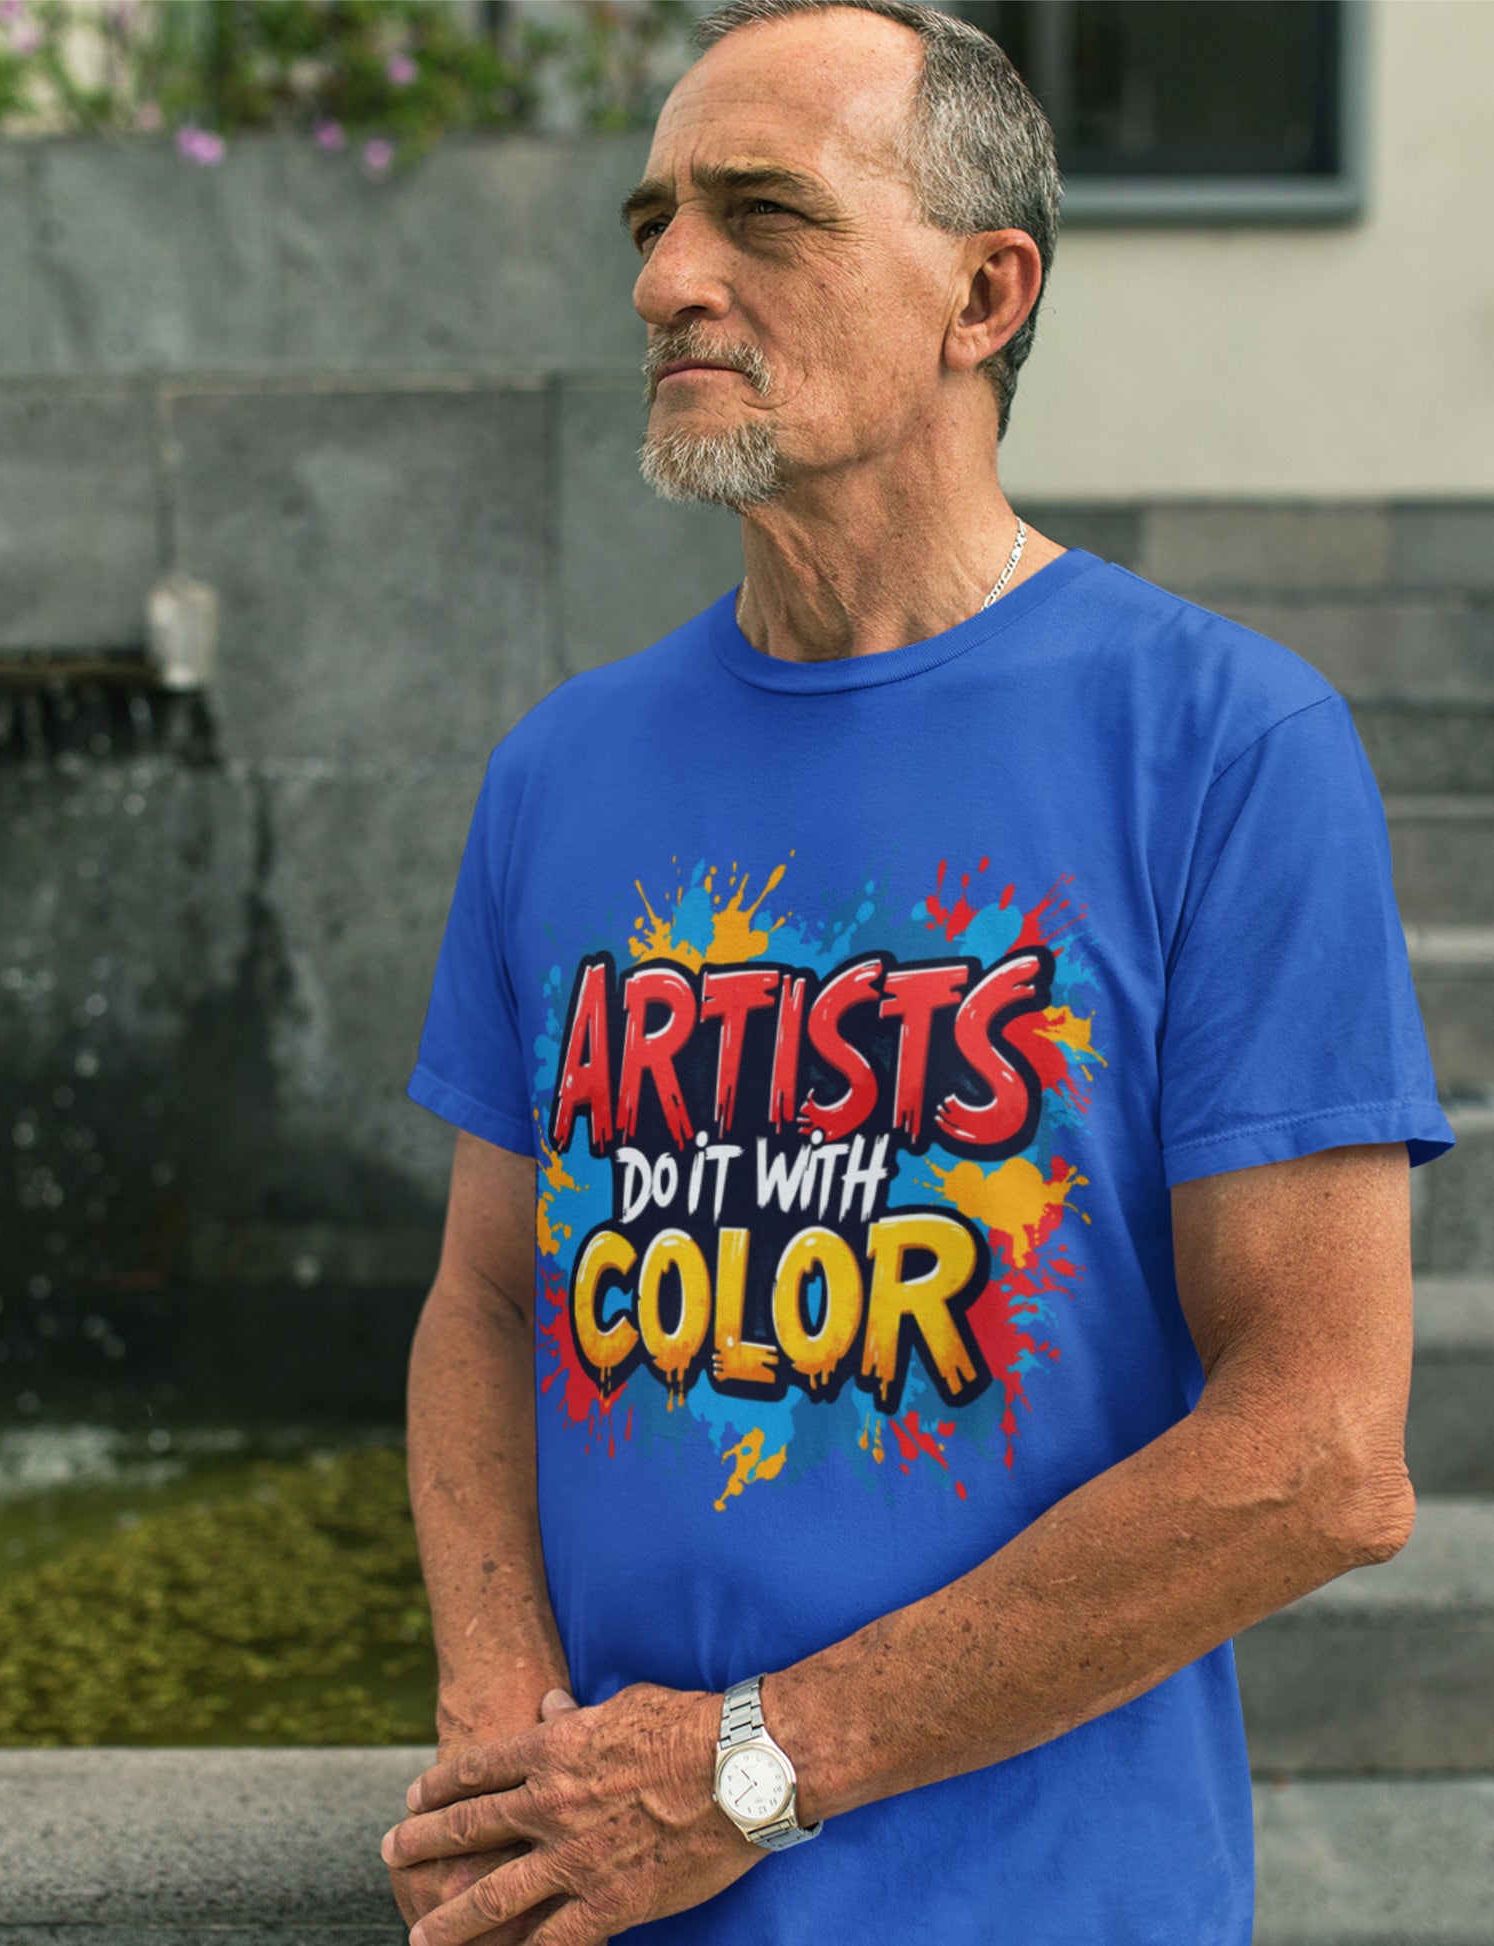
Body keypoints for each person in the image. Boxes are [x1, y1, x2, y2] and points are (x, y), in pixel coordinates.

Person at [377, 2, 1456, 1940]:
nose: (667, 278)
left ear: (983, 292)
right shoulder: (562, 768)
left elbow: (1318, 1452)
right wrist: (501, 1720)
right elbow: (482, 1305)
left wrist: (746, 1766)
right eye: (649, 220)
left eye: (759, 215)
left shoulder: (1222, 747)